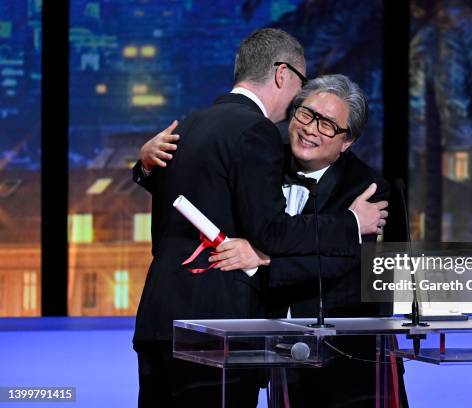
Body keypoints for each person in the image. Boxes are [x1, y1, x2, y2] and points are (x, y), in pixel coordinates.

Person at [132, 29, 388, 408]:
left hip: (158, 321)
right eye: (306, 109)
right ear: (283, 75)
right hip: (219, 328)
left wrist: (142, 168)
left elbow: (203, 196)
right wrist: (349, 224)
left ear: (347, 140)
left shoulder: (188, 125)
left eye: (327, 124)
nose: (308, 125)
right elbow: (272, 231)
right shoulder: (256, 132)